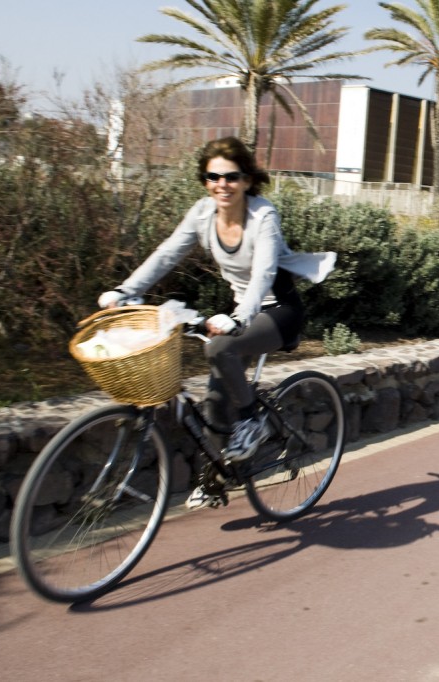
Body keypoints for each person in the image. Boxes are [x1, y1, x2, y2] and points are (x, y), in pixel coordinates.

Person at [99, 136, 335, 508]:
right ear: (205, 180)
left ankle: (250, 423)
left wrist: (240, 318)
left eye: (231, 177)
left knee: (220, 348)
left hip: (277, 310)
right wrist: (124, 290)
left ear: (246, 180)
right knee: (212, 401)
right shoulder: (202, 213)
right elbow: (166, 254)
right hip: (240, 311)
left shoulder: (263, 216)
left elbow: (263, 273)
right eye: (213, 177)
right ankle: (215, 481)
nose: (221, 185)